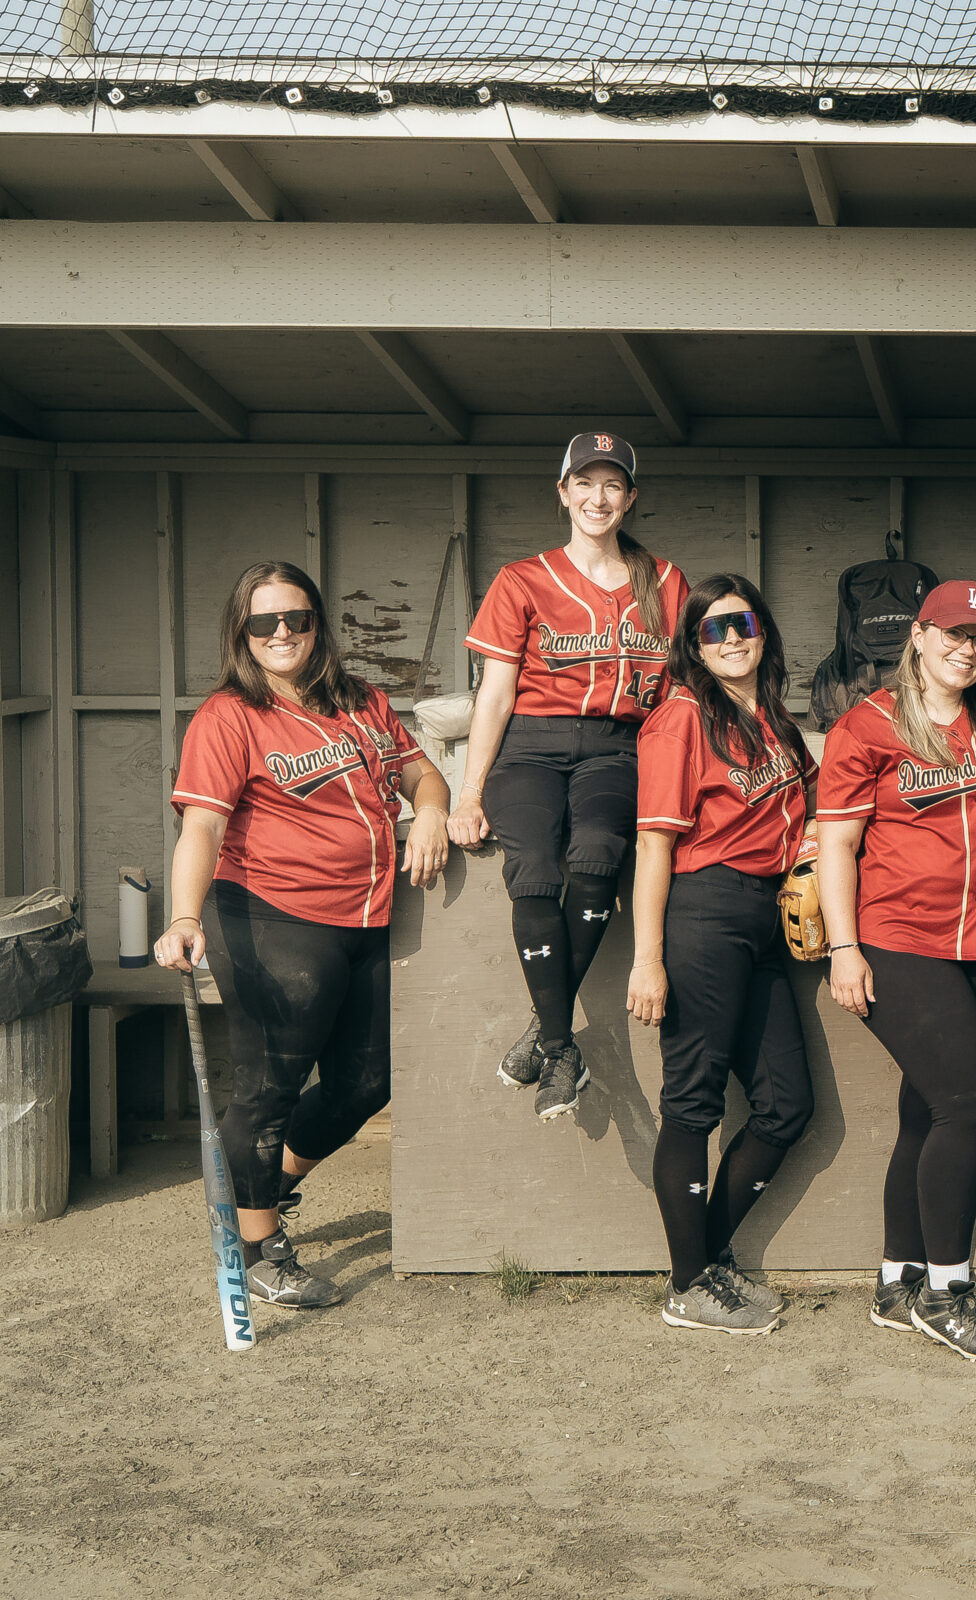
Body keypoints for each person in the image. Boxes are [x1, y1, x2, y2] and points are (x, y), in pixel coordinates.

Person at [155, 561, 450, 1308]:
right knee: (268, 1089)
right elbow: (203, 828)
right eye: (264, 622)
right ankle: (259, 1251)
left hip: (366, 916)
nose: (281, 632)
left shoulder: (363, 701)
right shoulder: (229, 717)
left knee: (369, 1080)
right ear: (242, 633)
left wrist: (434, 811)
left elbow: (423, 775)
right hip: (271, 916)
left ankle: (267, 1184)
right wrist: (184, 916)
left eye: (296, 617)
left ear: (318, 624)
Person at [814, 579, 976, 1363]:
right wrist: (843, 949)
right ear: (918, 636)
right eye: (952, 633)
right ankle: (948, 1294)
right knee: (969, 1101)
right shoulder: (868, 725)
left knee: (927, 1112)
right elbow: (837, 845)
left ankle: (899, 1281)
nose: (967, 649)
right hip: (898, 939)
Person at [450, 431, 687, 1123]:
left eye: (612, 484)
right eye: (584, 482)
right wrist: (470, 792)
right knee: (530, 868)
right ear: (563, 492)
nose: (598, 497)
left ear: (630, 498)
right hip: (530, 745)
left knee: (595, 854)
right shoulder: (522, 579)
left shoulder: (665, 582)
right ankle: (561, 1046)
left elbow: (681, 689)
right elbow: (495, 695)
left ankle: (547, 1040)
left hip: (619, 747)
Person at [627, 576, 814, 1336]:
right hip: (705, 912)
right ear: (694, 645)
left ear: (763, 631)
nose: (732, 639)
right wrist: (647, 959)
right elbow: (653, 846)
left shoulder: (771, 716)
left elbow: (806, 809)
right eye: (713, 629)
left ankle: (706, 1259)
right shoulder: (680, 718)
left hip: (763, 916)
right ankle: (688, 1285)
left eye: (743, 624)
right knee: (693, 1102)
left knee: (787, 1105)